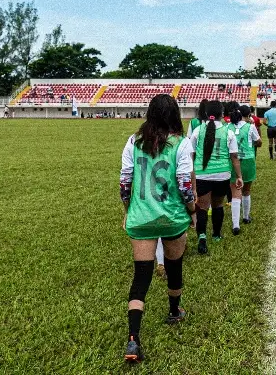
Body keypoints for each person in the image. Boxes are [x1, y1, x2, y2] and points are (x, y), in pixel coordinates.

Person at [119, 94, 196, 362]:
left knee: (141, 276)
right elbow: (185, 184)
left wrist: (128, 211)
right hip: (172, 216)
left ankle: (133, 340)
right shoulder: (182, 143)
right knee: (174, 267)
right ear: (174, 114)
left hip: (141, 218)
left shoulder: (133, 141)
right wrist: (192, 210)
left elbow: (125, 184)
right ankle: (174, 311)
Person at [191, 101, 243, 254]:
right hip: (222, 175)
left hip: (202, 174)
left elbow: (191, 155)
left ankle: (202, 236)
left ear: (206, 114)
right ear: (222, 114)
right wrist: (239, 176)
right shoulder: (228, 132)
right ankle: (216, 234)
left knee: (202, 206)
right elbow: (234, 157)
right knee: (218, 204)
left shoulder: (197, 131)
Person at [229, 105, 262, 230]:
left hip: (232, 160)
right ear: (249, 115)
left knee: (235, 191)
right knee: (246, 190)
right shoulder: (251, 126)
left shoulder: (229, 126)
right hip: (247, 159)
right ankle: (246, 216)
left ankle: (236, 225)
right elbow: (259, 142)